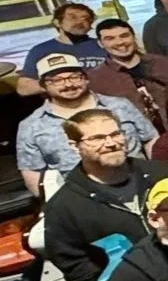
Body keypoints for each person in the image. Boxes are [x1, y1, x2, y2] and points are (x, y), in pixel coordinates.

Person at [40, 109, 168, 281]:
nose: (111, 143)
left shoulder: (163, 175)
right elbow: (73, 262)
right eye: (97, 138)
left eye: (116, 134)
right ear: (74, 145)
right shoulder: (64, 206)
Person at [17, 56, 157, 196]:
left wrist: (156, 180)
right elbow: (32, 172)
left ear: (86, 78)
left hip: (140, 187)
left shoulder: (120, 105)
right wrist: (58, 207)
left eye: (74, 77)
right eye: (57, 80)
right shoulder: (31, 126)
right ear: (43, 86)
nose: (68, 85)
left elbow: (151, 139)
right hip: (82, 199)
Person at [89, 19, 168, 131]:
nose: (119, 42)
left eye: (124, 36)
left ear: (134, 37)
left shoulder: (165, 64)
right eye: (110, 39)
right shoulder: (95, 79)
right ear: (100, 43)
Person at [17, 2, 105, 98]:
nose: (80, 22)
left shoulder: (103, 45)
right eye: (73, 17)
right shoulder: (41, 50)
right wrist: (60, 83)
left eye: (86, 18)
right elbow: (23, 88)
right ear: (57, 22)